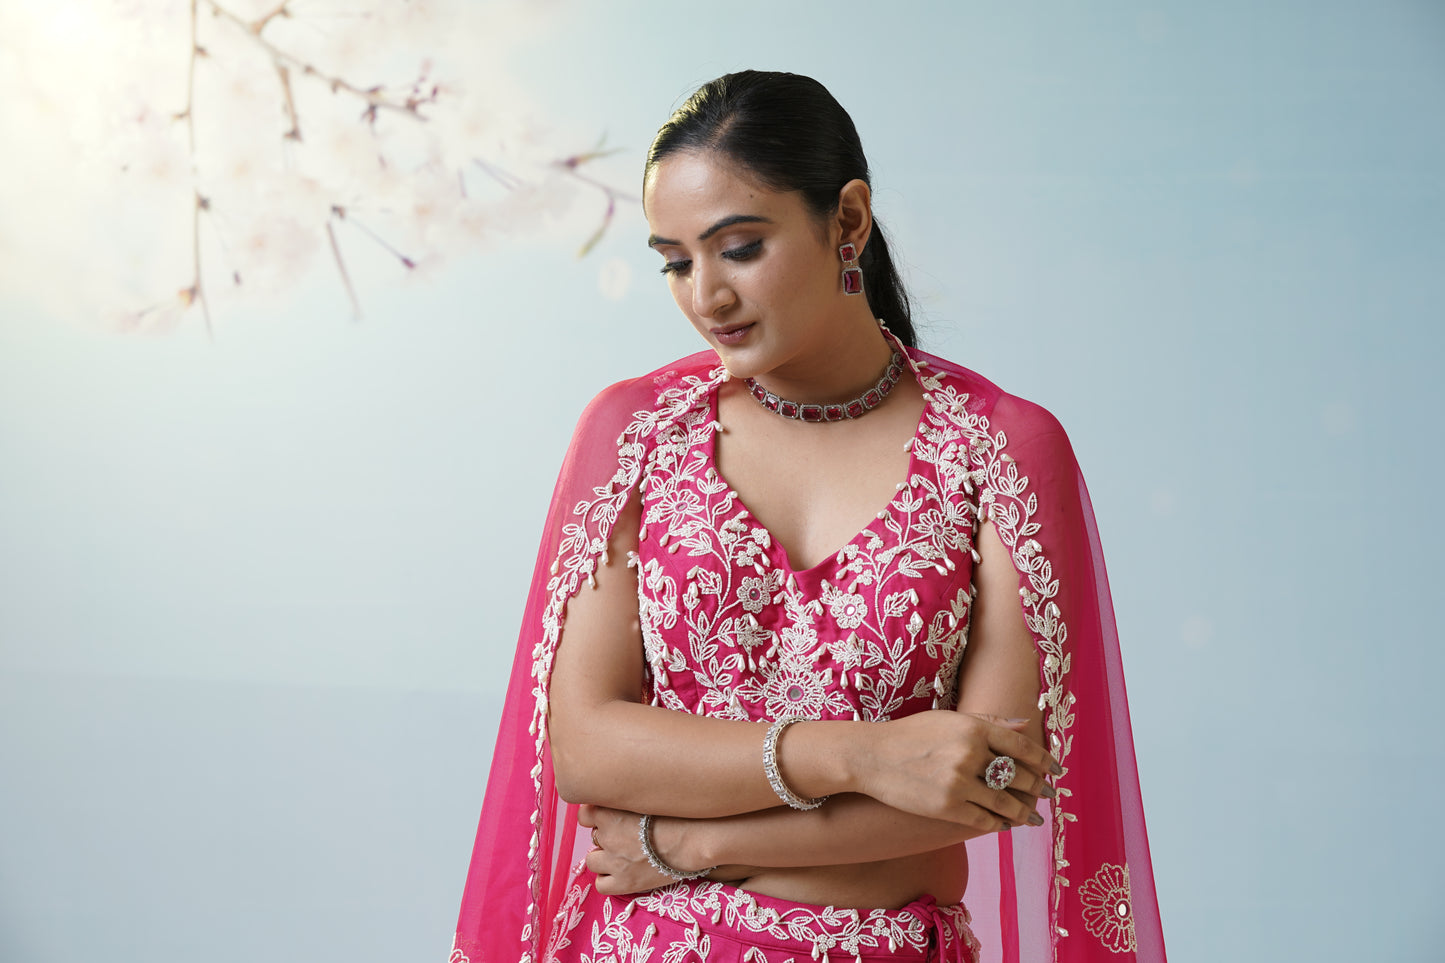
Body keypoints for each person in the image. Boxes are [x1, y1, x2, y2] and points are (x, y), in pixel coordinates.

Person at [452, 70, 1164, 963]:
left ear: (848, 221)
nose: (704, 295)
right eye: (675, 261)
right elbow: (585, 747)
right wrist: (862, 759)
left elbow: (983, 781)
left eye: (738, 247)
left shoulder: (999, 451)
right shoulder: (633, 436)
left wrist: (687, 842)